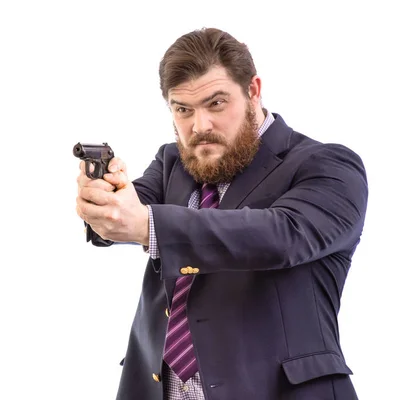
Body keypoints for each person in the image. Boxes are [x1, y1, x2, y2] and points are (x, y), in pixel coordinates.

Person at [75, 27, 367, 400]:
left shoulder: (328, 165)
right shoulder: (172, 163)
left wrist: (147, 223)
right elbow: (126, 213)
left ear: (253, 90)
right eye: (183, 109)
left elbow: (281, 236)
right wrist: (104, 199)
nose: (200, 127)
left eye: (216, 103)